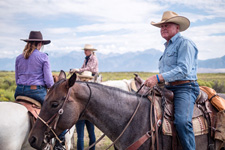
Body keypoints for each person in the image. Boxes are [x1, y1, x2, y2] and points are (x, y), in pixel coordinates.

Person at [144, 11, 200, 150]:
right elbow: (168, 73)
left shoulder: (185, 43)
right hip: (169, 87)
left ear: (177, 28)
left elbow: (183, 70)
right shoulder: (168, 46)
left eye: (167, 25)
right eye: (162, 26)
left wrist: (157, 78)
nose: (163, 28)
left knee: (182, 122)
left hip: (185, 87)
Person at [70, 44, 98, 150]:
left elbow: (90, 68)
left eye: (86, 50)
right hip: (90, 113)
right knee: (91, 133)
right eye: (85, 50)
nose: (85, 51)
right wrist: (78, 70)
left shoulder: (93, 59)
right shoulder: (86, 59)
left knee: (81, 136)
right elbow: (84, 68)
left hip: (81, 113)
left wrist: (78, 70)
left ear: (90, 51)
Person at [14, 31, 54, 105]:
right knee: (50, 111)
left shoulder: (18, 58)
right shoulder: (43, 57)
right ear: (39, 44)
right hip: (36, 92)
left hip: (19, 91)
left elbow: (17, 79)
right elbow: (49, 82)